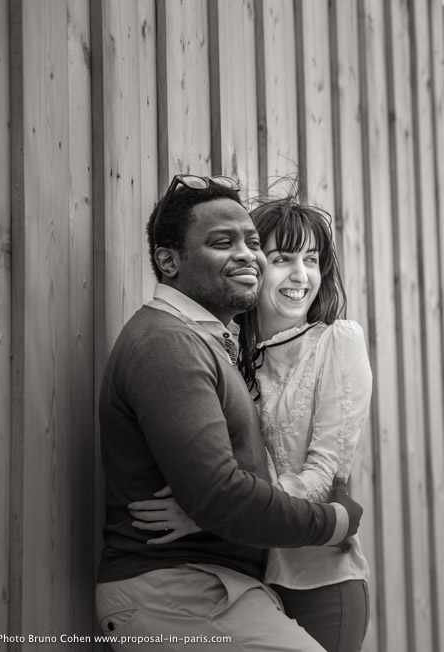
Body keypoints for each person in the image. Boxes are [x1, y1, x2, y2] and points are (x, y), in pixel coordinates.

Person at [96, 175, 361, 651]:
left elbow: (236, 489)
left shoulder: (209, 342)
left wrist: (211, 513)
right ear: (167, 260)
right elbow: (220, 496)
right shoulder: (170, 344)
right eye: (223, 242)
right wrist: (335, 521)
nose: (247, 254)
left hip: (228, 588)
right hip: (182, 592)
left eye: (252, 242)